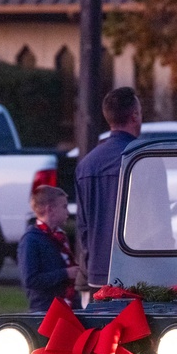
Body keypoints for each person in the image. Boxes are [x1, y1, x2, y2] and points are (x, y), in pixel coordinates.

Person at [75, 87, 142, 300]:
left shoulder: (86, 165)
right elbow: (157, 222)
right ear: (134, 116)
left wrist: (88, 267)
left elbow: (83, 227)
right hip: (137, 271)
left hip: (98, 272)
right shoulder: (143, 160)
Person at [17, 185, 79, 311]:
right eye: (64, 207)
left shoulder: (60, 236)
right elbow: (31, 280)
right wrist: (66, 273)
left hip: (68, 305)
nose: (67, 212)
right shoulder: (31, 240)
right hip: (45, 311)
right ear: (50, 209)